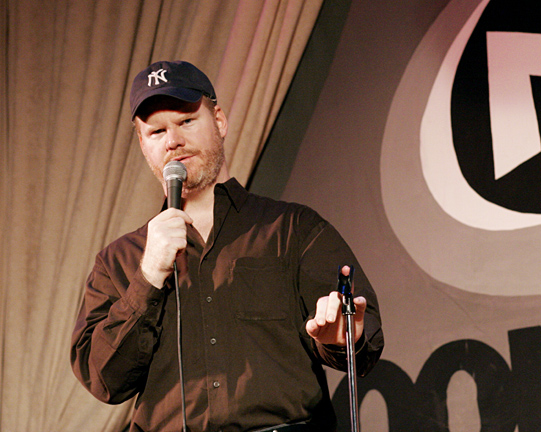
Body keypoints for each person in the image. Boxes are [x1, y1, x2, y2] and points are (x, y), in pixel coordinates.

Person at [71, 60, 383, 432]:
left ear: (219, 120)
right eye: (157, 131)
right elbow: (104, 380)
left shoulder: (292, 229)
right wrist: (149, 275)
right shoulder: (118, 262)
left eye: (187, 121)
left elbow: (363, 340)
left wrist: (343, 338)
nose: (173, 141)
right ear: (143, 144)